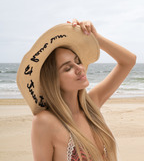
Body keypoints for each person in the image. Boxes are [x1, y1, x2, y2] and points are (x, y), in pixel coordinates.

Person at [16, 19, 136, 161]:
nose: (79, 68)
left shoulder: (91, 105)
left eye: (78, 61)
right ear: (53, 80)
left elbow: (129, 61)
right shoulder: (44, 121)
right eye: (68, 68)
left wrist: (95, 38)